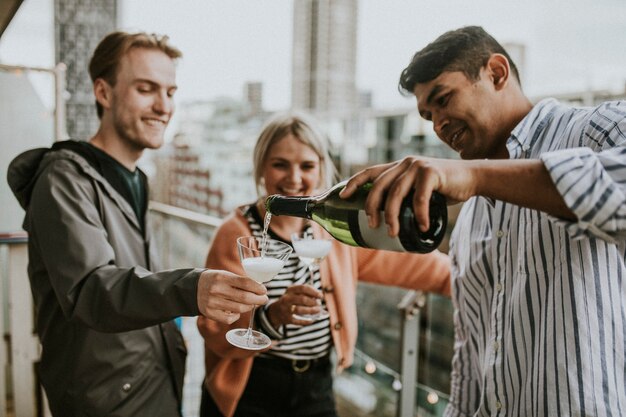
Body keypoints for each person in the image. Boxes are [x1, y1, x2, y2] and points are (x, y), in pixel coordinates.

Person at [340, 26, 626, 416]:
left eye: (444, 99)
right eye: (428, 115)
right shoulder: (471, 215)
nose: (438, 124)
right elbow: (472, 358)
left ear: (496, 73)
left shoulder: (596, 128)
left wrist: (474, 176)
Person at [6, 31, 268, 417]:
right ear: (104, 93)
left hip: (152, 383)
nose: (164, 106)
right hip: (105, 399)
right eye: (147, 89)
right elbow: (90, 289)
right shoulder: (63, 179)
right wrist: (191, 289)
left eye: (171, 92)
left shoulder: (136, 178)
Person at [196, 112, 451, 417]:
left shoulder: (330, 230)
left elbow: (411, 266)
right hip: (253, 385)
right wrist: (274, 315)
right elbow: (214, 328)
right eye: (280, 164)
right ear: (261, 167)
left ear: (321, 169)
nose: (294, 178)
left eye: (306, 166)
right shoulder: (235, 233)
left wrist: (470, 277)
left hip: (317, 383)